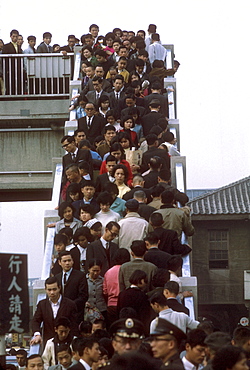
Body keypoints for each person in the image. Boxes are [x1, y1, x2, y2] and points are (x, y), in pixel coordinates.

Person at [31, 277, 78, 347]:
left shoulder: (70, 304)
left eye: (54, 289)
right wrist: (37, 334)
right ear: (45, 290)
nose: (52, 292)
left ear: (59, 288)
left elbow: (74, 325)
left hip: (67, 344)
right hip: (49, 344)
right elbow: (35, 321)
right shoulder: (42, 304)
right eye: (49, 290)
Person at [55, 251, 89, 324]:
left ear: (72, 261)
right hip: (60, 314)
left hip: (75, 313)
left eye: (69, 260)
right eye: (64, 261)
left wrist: (69, 305)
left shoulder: (80, 276)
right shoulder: (57, 277)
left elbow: (83, 296)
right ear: (59, 262)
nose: (67, 263)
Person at [103, 248, 130, 325]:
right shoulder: (127, 270)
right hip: (125, 304)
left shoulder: (108, 272)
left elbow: (105, 291)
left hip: (111, 304)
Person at [2, 29, 22, 95]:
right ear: (11, 36)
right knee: (10, 84)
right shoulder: (6, 46)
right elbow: (4, 59)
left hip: (18, 69)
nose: (15, 38)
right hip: (9, 69)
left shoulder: (19, 47)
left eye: (16, 36)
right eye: (14, 36)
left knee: (18, 84)